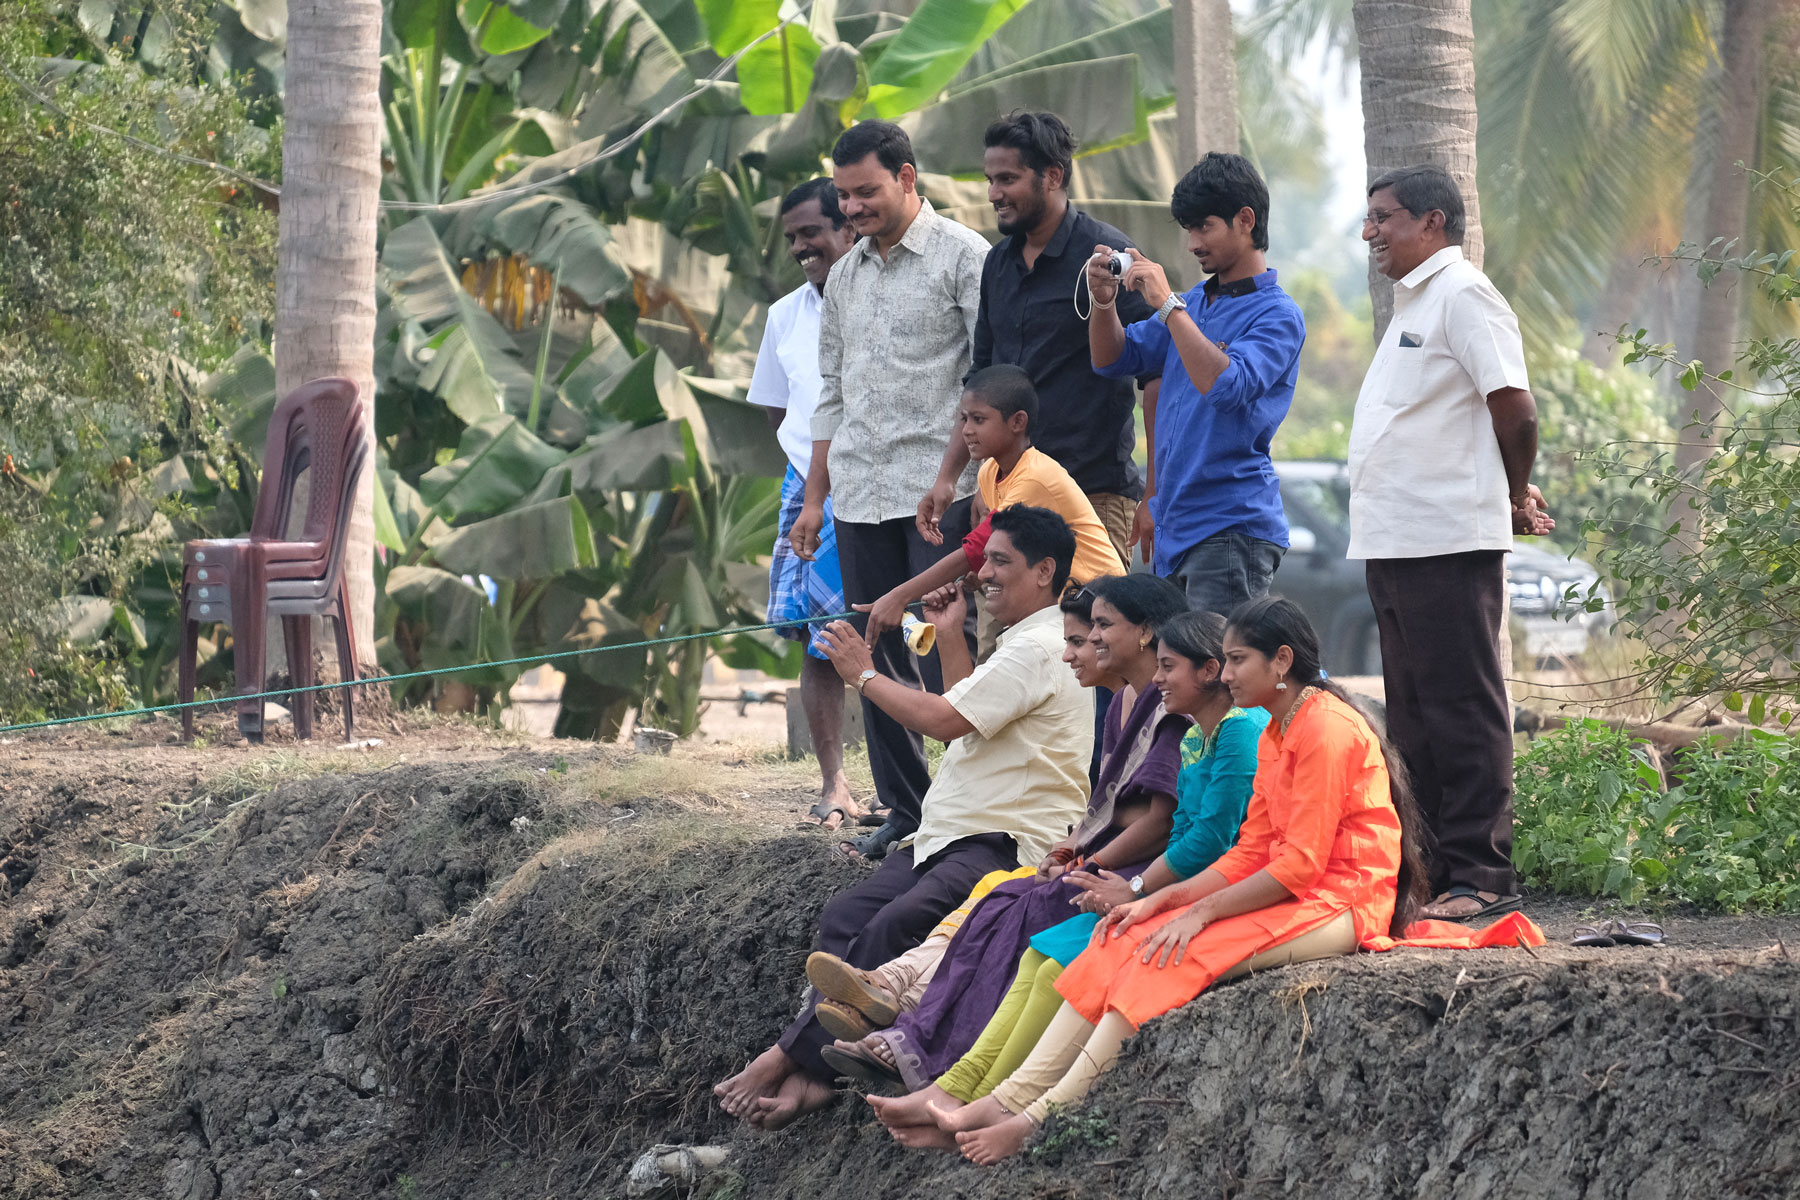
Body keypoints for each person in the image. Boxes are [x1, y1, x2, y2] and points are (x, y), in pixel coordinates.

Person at [932, 597, 1430, 1166]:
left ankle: (1037, 1120)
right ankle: (1003, 1100)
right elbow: (1251, 852)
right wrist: (1158, 899)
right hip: (1295, 888)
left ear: (1282, 661)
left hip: (1342, 901)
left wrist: (1199, 912)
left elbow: (1299, 866)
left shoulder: (1325, 729)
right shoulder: (1279, 729)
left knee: (1166, 955)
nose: (1228, 672)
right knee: (1118, 936)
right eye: (1225, 659)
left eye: (1238, 659)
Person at [714, 505, 1092, 1129]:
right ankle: (811, 1070)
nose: (984, 576)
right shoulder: (1021, 641)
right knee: (846, 916)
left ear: (1045, 570)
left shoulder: (1043, 646)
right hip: (951, 836)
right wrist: (948, 634)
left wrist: (861, 673)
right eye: (984, 561)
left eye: (1000, 562)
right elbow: (965, 719)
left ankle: (786, 1061)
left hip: (1003, 841)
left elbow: (942, 721)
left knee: (892, 928)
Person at [866, 610, 1267, 1148]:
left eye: (1170, 667)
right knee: (1039, 953)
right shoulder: (1201, 734)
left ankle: (1000, 1106)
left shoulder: (1239, 731)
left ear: (1208, 670)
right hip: (1177, 882)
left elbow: (1209, 842)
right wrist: (1106, 868)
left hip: (1209, 888)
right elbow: (1185, 834)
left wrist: (1137, 889)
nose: (1161, 679)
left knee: (1062, 956)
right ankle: (960, 1087)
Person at [818, 574, 1190, 1094]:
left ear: (1147, 633)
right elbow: (1108, 805)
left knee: (1013, 915)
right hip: (1093, 856)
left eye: (1100, 628)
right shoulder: (1123, 699)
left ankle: (915, 1036)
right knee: (996, 898)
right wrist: (1076, 847)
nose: (1083, 646)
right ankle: (896, 997)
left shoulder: (1168, 704)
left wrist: (864, 676)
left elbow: (1160, 819)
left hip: (1131, 867)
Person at [1348, 165, 1553, 922]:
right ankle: (1432, 873)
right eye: (1369, 219)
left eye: (1384, 218)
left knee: (1461, 705)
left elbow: (1516, 410)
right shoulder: (1418, 301)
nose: (1370, 232)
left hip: (1446, 538)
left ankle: (1481, 873)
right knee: (1412, 714)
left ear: (1432, 222)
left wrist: (1510, 491)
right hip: (1396, 540)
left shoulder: (1463, 295)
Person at [791, 119, 994, 860]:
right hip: (859, 492)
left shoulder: (964, 258)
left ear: (907, 178)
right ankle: (908, 812)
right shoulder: (844, 274)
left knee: (950, 640)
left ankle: (970, 810)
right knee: (867, 645)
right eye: (843, 195)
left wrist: (950, 479)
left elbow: (984, 382)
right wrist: (816, 499)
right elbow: (832, 397)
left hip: (938, 494)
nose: (852, 208)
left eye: (866, 191)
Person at [916, 112, 1160, 565]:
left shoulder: (1105, 257)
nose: (994, 194)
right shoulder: (997, 264)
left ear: (1053, 176)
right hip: (1008, 500)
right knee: (1006, 637)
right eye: (990, 180)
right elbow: (980, 382)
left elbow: (1157, 377)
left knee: (1091, 632)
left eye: (1007, 179)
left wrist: (1155, 492)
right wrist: (950, 479)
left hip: (1092, 495)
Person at [1085, 152, 1306, 614]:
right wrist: (1103, 304)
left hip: (1230, 528)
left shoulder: (1278, 314)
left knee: (1217, 674)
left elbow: (1227, 387)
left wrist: (1166, 304)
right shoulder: (1195, 304)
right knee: (1179, 678)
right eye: (1188, 229)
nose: (1192, 244)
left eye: (1204, 227)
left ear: (1245, 220)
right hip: (1174, 525)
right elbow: (1111, 359)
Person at [859, 365, 1125, 644]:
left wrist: (899, 596)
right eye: (963, 419)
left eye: (978, 419)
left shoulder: (1035, 477)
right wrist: (980, 573)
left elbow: (975, 549)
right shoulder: (989, 472)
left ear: (1017, 422)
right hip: (1065, 607)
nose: (967, 431)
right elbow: (999, 549)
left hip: (1101, 606)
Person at [749, 178, 862, 829]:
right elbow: (775, 405)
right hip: (806, 490)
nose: (800, 247)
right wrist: (809, 478)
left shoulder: (875, 300)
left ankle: (910, 789)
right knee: (815, 642)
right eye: (791, 237)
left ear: (846, 227)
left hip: (878, 483)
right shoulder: (785, 314)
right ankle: (833, 783)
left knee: (882, 632)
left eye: (810, 233)